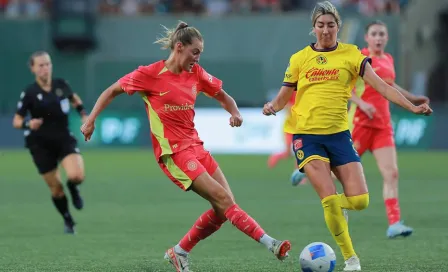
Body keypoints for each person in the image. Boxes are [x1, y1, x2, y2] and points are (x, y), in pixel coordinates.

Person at [81, 21, 291, 272]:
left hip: (197, 147)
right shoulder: (149, 75)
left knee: (224, 208)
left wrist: (235, 112)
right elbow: (111, 90)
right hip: (175, 153)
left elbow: (222, 95)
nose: (198, 58)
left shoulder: (197, 74)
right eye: (195, 52)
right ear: (179, 47)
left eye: (200, 53)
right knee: (224, 200)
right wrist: (91, 119)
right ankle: (272, 244)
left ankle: (179, 252)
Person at [263, 2, 432, 271]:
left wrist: (412, 107)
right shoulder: (299, 58)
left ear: (338, 27)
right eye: (321, 25)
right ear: (314, 28)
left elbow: (382, 87)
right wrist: (273, 106)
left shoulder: (352, 55)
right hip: (307, 136)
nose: (326, 30)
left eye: (331, 25)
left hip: (340, 136)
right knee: (329, 199)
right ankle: (351, 259)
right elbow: (284, 96)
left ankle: (334, 206)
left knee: (360, 202)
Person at [348, 20, 430, 238]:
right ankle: (308, 170)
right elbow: (344, 88)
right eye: (374, 34)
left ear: (387, 37)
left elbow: (389, 85)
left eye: (382, 34)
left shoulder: (388, 59)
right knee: (342, 173)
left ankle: (394, 223)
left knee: (391, 173)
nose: (378, 37)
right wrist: (362, 103)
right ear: (366, 37)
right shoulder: (360, 59)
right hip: (361, 124)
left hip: (382, 126)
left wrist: (413, 98)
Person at [12, 51, 87, 234]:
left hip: (63, 138)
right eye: (41, 65)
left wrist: (84, 114)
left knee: (76, 176)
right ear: (33, 69)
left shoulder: (61, 85)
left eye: (48, 64)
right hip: (39, 144)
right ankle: (68, 219)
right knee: (56, 188)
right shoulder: (29, 92)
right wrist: (29, 123)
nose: (45, 68)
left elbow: (74, 98)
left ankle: (73, 188)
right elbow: (16, 121)